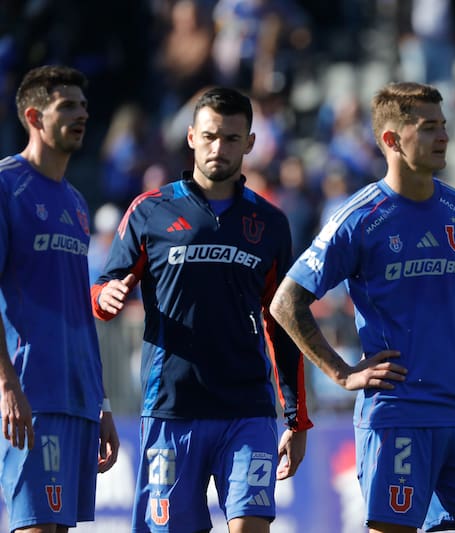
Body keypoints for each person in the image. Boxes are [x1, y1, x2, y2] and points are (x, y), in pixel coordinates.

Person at [270, 81, 455, 533]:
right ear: (391, 140)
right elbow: (287, 302)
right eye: (428, 128)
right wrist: (343, 374)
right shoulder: (360, 218)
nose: (443, 137)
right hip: (397, 413)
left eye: (443, 125)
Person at [91, 86, 312, 533]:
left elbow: (281, 322)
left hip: (247, 406)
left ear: (250, 143)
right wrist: (107, 297)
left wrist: (296, 417)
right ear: (191, 137)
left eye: (232, 138)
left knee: (251, 526)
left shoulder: (270, 223)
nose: (219, 148)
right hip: (173, 406)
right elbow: (101, 288)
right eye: (210, 136)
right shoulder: (150, 211)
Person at [0, 64, 119, 532]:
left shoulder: (75, 202)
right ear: (34, 116)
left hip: (78, 397)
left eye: (84, 106)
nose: (81, 114)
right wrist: (7, 385)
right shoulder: (8, 186)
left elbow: (77, 309)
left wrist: (103, 401)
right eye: (67, 106)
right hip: (31, 394)